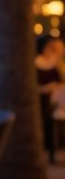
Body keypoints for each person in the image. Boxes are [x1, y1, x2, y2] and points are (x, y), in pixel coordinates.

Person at [35, 35, 64, 163]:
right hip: (41, 101)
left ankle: (53, 151)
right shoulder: (37, 63)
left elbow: (60, 80)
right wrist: (46, 88)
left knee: (52, 126)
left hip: (54, 100)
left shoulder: (54, 64)